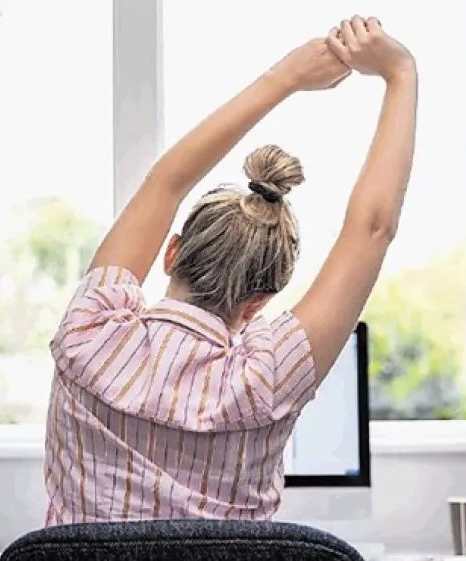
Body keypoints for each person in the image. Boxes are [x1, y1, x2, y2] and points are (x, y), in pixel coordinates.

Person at [45, 15, 417, 524]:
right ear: (259, 301)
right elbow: (371, 230)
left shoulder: (90, 332)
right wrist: (401, 74)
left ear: (172, 252)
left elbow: (165, 184)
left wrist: (285, 78)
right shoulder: (268, 375)